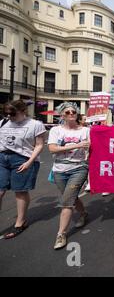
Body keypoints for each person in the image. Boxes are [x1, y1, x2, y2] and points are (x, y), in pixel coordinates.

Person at [0, 100, 46, 238]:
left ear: (23, 111)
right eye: (7, 114)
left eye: (13, 114)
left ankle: (20, 222)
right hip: (2, 158)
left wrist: (29, 162)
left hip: (22, 159)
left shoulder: (35, 125)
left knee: (20, 191)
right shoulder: (3, 123)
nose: (10, 117)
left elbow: (39, 144)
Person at [48, 102, 90, 249]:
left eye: (73, 111)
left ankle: (61, 234)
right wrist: (77, 145)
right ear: (62, 115)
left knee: (66, 202)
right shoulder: (55, 130)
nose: (71, 114)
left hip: (79, 168)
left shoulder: (86, 130)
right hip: (59, 169)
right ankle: (84, 213)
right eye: (67, 112)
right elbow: (52, 149)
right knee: (71, 197)